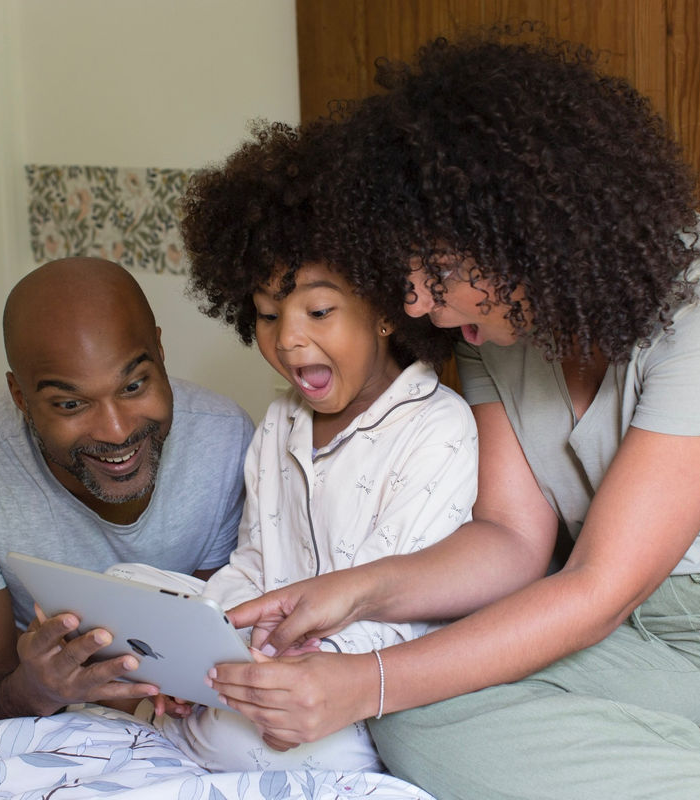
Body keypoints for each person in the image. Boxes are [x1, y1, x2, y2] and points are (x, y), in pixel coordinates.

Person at [206, 34, 700, 800]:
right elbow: (510, 541)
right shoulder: (484, 327)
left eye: (441, 271)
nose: (416, 304)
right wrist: (357, 592)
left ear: (529, 235)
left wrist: (364, 681)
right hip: (659, 644)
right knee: (422, 714)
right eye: (408, 273)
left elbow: (602, 586)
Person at [109, 122, 479, 772]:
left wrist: (270, 672)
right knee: (122, 594)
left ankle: (184, 724)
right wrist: (209, 651)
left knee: (264, 740)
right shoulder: (282, 421)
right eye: (267, 314)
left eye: (318, 312)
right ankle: (177, 707)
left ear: (385, 310)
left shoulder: (437, 429)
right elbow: (253, 564)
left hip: (363, 683)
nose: (286, 340)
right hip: (268, 656)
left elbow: (398, 616)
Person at [0, 257, 254, 720]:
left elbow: (201, 640)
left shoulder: (225, 440)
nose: (117, 431)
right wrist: (38, 690)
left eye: (133, 385)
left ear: (160, 353)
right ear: (20, 398)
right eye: (70, 404)